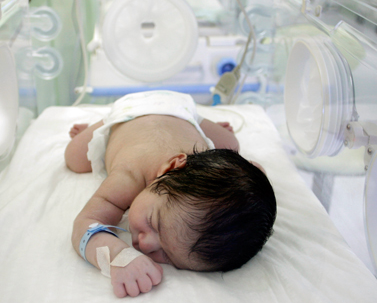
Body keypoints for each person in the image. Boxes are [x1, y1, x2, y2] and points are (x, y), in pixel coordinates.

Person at [66, 91, 276, 298]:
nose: (145, 244)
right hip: (133, 110)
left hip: (180, 109)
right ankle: (102, 124)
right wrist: (117, 257)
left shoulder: (193, 177)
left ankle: (205, 127)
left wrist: (253, 178)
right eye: (153, 221)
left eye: (166, 255)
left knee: (232, 147)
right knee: (74, 158)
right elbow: (85, 223)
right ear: (170, 167)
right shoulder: (128, 175)